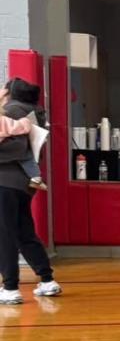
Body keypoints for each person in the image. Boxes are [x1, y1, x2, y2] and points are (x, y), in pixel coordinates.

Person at [0, 78, 59, 306]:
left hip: (5, 182)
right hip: (24, 183)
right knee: (23, 231)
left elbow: (16, 147)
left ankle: (10, 287)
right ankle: (46, 279)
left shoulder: (13, 111)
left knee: (5, 234)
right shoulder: (35, 112)